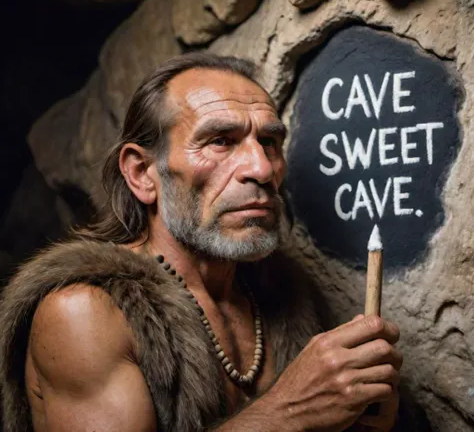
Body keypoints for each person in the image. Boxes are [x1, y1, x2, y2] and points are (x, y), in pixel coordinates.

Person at [0, 53, 402, 432]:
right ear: (142, 174)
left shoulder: (288, 295)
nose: (261, 168)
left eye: (269, 142)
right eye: (220, 141)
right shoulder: (85, 313)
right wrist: (289, 412)